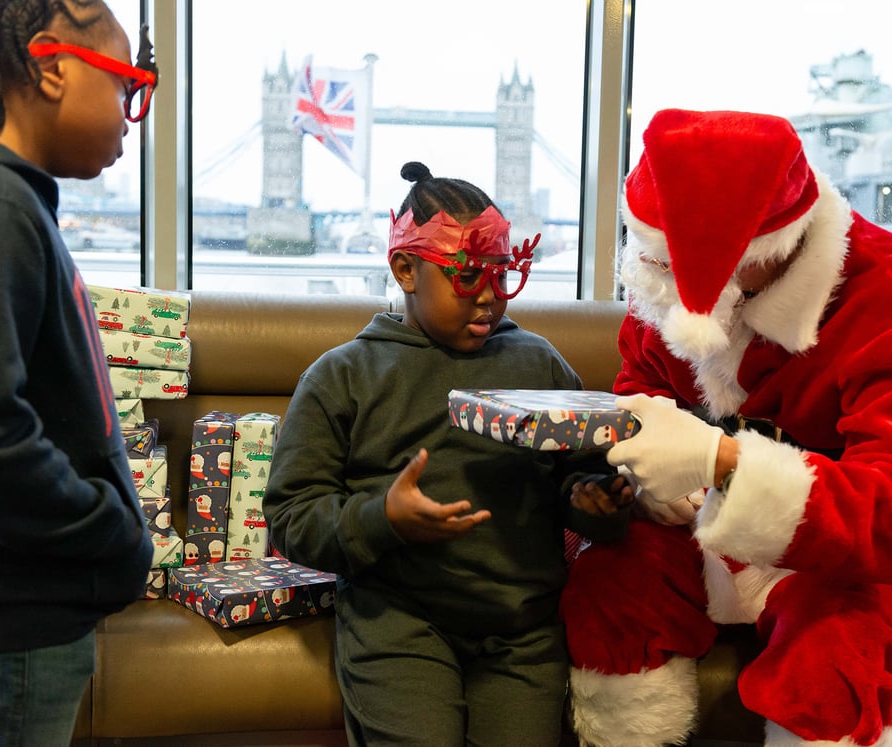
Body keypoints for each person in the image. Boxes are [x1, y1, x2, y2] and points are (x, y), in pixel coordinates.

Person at [560, 109, 892, 747]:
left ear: (766, 251)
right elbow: (636, 400)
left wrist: (722, 462)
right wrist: (646, 484)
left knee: (834, 656)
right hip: (702, 534)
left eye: (672, 265)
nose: (655, 280)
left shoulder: (891, 297)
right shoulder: (664, 291)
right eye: (651, 254)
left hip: (851, 555)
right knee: (611, 594)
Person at [263, 161, 634, 747]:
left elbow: (577, 474)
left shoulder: (537, 363)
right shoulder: (343, 376)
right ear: (405, 269)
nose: (488, 296)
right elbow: (290, 517)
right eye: (466, 276)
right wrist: (382, 518)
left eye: (501, 274)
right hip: (399, 623)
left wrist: (592, 504)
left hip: (522, 629)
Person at [0, 2, 159, 744]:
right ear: (51, 69)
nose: (129, 117)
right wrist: (107, 527)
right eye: (127, 88)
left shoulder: (9, 200)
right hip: (16, 628)